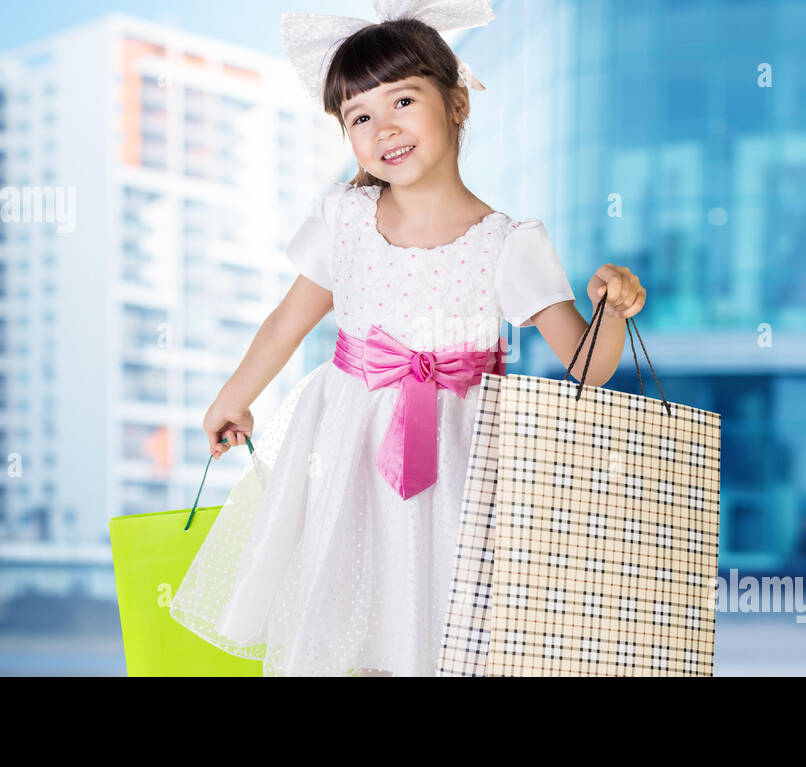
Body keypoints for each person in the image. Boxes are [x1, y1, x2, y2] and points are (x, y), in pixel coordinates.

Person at [168, 0, 646, 677]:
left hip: (464, 467)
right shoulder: (346, 220)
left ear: (457, 104)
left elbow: (588, 366)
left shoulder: (508, 245)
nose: (383, 127)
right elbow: (286, 322)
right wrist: (233, 397)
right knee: (350, 624)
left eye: (402, 101)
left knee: (451, 633)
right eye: (360, 116)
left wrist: (613, 309)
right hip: (347, 456)